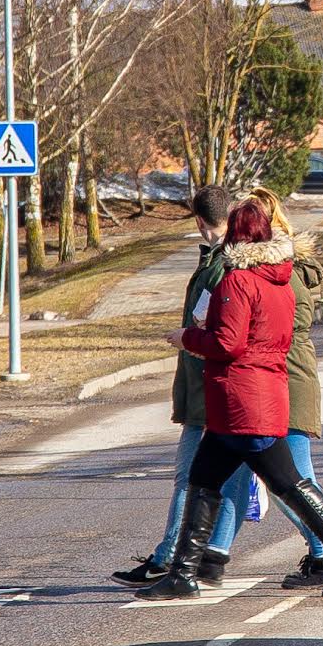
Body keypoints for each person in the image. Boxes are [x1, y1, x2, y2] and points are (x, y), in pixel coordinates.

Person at [136, 197, 323, 600]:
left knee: (291, 486)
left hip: (242, 404)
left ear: (237, 234)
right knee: (205, 480)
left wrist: (188, 337)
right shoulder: (281, 280)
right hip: (258, 398)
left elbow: (228, 342)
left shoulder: (238, 281)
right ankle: (184, 574)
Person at [111, 185, 247, 587]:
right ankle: (210, 557)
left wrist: (186, 337)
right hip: (219, 390)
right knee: (249, 479)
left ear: (200, 221)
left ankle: (168, 558)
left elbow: (216, 330)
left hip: (208, 391)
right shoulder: (224, 259)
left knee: (191, 478)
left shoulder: (224, 265)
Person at [253, 186, 323, 590]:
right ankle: (196, 559)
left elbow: (284, 327)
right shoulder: (286, 268)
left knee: (295, 476)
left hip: (286, 380)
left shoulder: (281, 274)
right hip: (284, 376)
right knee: (263, 475)